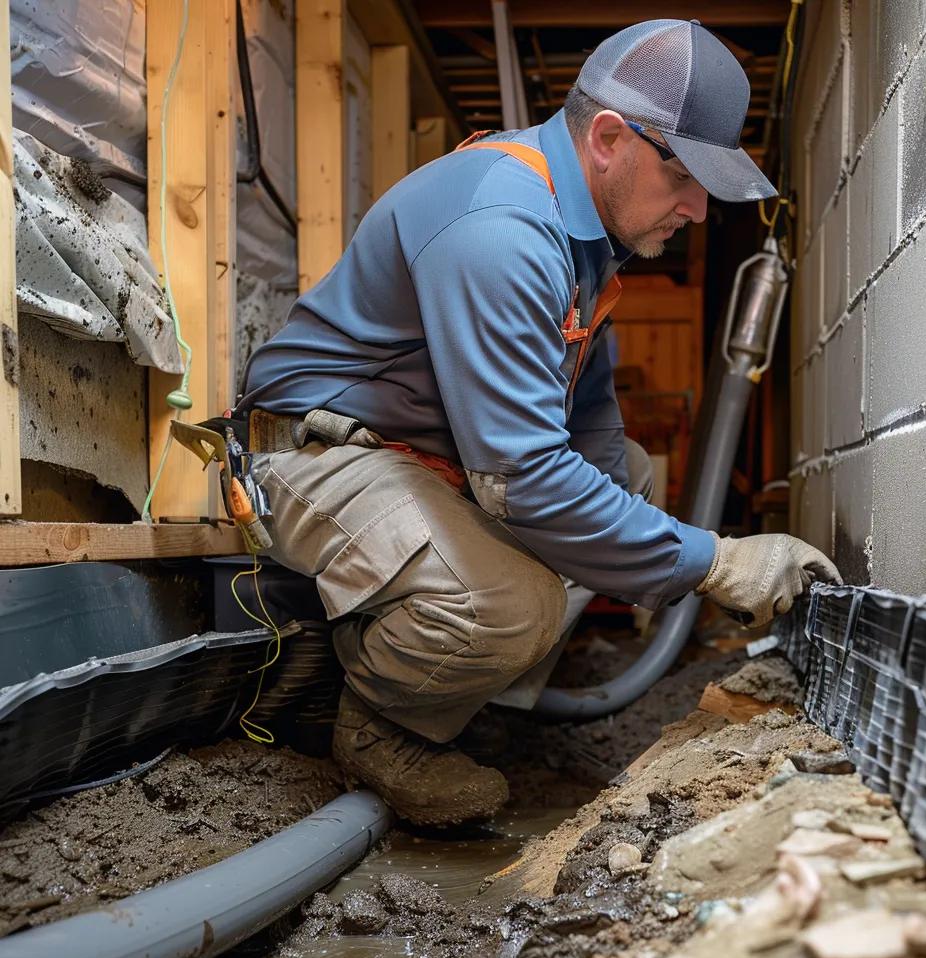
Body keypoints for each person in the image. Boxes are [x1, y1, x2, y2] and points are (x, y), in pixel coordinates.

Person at [236, 20, 841, 825]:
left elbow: (588, 435)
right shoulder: (503, 228)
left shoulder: (588, 244)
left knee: (629, 474)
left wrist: (660, 553)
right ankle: (385, 727)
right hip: (311, 454)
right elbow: (522, 479)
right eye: (684, 177)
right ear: (607, 138)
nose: (698, 209)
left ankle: (465, 684)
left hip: (421, 454)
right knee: (514, 604)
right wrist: (714, 561)